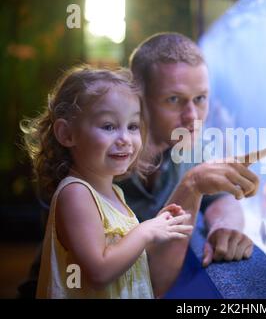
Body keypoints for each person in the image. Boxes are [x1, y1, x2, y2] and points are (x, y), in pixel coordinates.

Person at [20, 66, 193, 298]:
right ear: (67, 134)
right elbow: (99, 272)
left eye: (132, 126)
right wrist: (145, 231)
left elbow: (125, 256)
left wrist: (159, 225)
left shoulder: (115, 193)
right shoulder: (76, 194)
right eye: (109, 126)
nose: (125, 139)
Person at [121, 32, 262, 297]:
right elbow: (139, 282)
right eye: (174, 99)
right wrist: (192, 184)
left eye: (200, 99)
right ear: (137, 99)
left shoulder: (191, 143)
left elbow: (221, 199)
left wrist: (223, 227)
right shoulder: (102, 158)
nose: (193, 116)